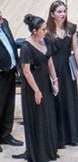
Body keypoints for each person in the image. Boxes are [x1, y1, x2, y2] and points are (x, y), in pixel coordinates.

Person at [19, 14, 58, 162]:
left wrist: (55, 80)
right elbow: (26, 71)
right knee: (38, 118)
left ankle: (49, 150)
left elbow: (49, 61)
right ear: (34, 31)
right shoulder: (26, 47)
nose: (46, 31)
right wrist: (36, 91)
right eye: (43, 29)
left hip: (45, 83)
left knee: (47, 116)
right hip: (33, 87)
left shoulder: (45, 40)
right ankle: (39, 153)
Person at [45, 0, 78, 147]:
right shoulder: (47, 31)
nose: (63, 14)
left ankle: (72, 135)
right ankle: (60, 137)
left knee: (70, 98)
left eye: (64, 11)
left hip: (67, 67)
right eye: (59, 12)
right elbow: (47, 54)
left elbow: (76, 48)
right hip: (54, 68)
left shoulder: (71, 28)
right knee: (58, 100)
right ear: (52, 14)